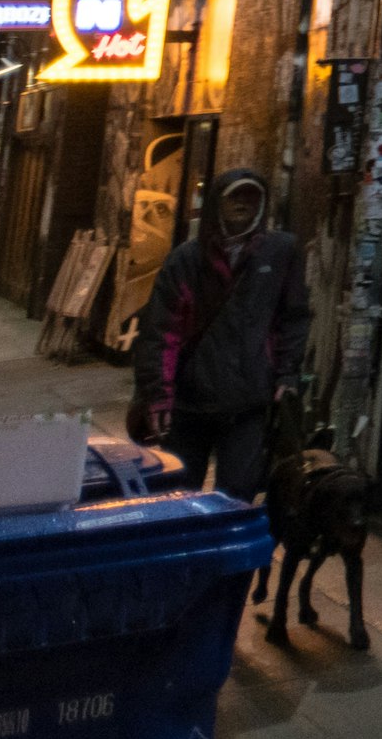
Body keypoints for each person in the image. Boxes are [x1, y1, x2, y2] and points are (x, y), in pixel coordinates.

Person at [129, 169, 310, 501]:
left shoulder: (280, 252)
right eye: (235, 197)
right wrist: (158, 395)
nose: (243, 204)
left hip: (249, 397)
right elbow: (161, 332)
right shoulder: (186, 259)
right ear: (217, 204)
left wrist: (287, 373)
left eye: (251, 196)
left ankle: (222, 551)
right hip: (190, 400)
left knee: (238, 492)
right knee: (179, 491)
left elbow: (293, 317)